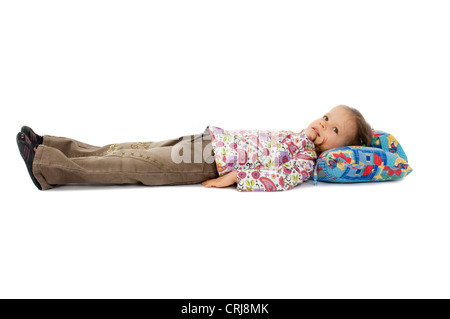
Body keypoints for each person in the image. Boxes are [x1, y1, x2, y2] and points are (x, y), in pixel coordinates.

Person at [16, 105, 372, 191]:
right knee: (127, 147)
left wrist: (232, 178)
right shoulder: (299, 137)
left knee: (132, 164)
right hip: (205, 142)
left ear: (342, 148)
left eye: (335, 129)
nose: (323, 125)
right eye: (326, 117)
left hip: (206, 160)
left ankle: (45, 167)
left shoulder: (307, 159)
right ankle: (52, 145)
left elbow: (277, 178)